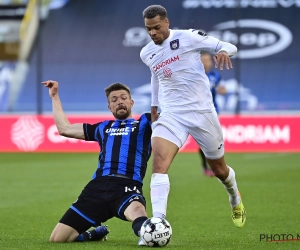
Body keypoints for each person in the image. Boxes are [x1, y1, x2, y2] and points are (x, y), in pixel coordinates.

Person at [140, 5, 246, 228]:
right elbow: (155, 76)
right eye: (149, 29)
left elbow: (228, 45)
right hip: (171, 113)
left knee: (219, 170)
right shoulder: (146, 52)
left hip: (201, 112)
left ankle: (235, 197)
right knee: (159, 162)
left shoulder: (189, 37)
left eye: (156, 28)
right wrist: (154, 106)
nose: (152, 33)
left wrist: (225, 51)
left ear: (167, 23)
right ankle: (158, 221)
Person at [42, 80, 152, 245]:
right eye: (114, 100)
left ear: (131, 102)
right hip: (97, 188)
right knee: (57, 239)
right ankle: (93, 235)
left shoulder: (145, 123)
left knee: (137, 211)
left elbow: (166, 113)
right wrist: (55, 96)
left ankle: (151, 234)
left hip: (127, 185)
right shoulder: (103, 127)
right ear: (110, 107)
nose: (119, 101)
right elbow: (64, 128)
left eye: (123, 98)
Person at [199, 52, 227, 177]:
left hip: (213, 110)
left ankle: (212, 167)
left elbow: (222, 89)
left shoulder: (215, 76)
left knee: (212, 139)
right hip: (197, 111)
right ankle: (207, 167)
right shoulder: (194, 75)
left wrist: (222, 90)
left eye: (208, 60)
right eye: (203, 60)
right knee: (204, 140)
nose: (206, 63)